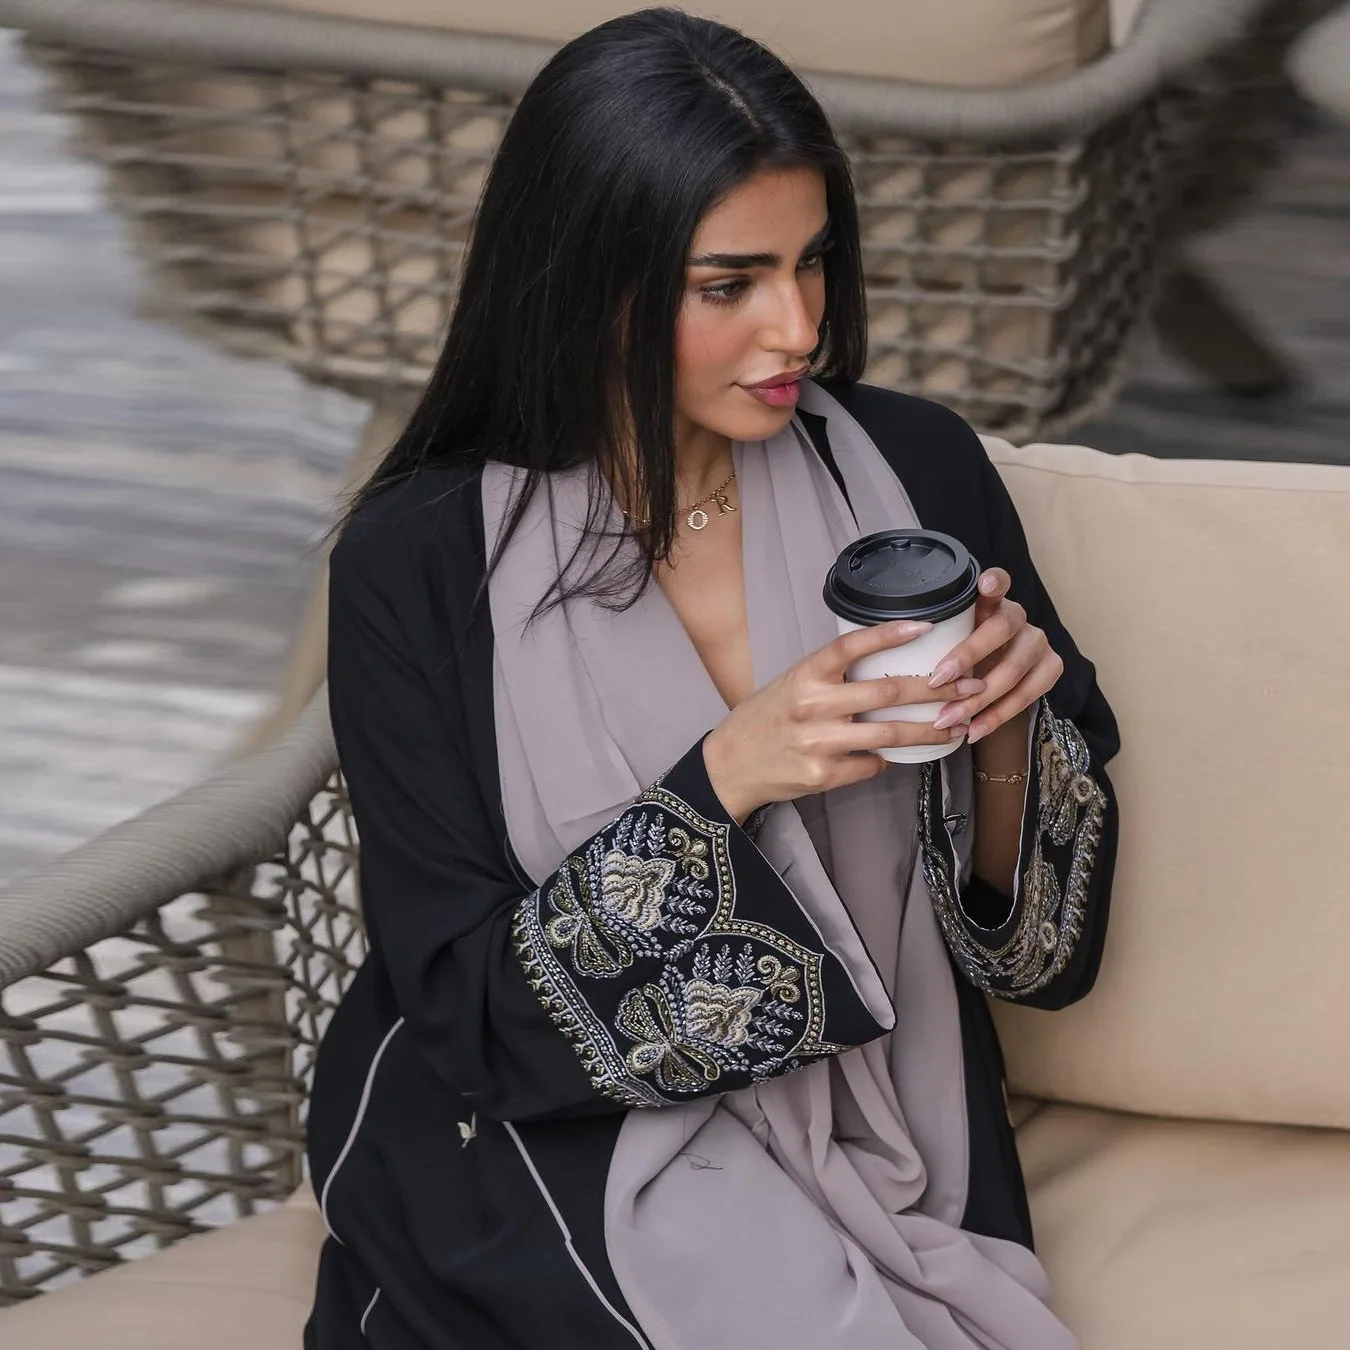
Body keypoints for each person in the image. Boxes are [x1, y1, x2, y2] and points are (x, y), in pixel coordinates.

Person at [303, 8, 1119, 1348]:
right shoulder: (421, 563)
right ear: (585, 283)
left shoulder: (916, 477)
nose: (797, 326)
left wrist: (1008, 739)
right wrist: (730, 775)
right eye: (728, 285)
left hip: (894, 1124)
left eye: (813, 262)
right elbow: (468, 1016)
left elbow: (1039, 961)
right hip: (554, 1148)